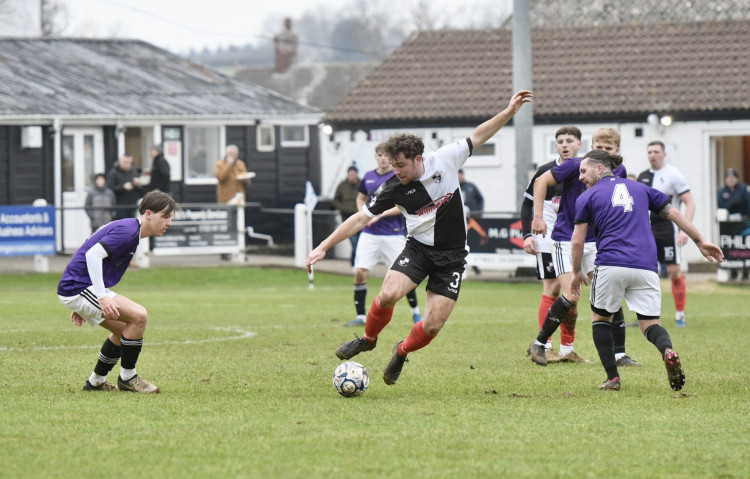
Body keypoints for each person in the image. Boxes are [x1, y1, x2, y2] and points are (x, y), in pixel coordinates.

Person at [307, 90, 534, 386]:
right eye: (392, 165)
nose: (396, 171)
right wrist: (323, 246)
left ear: (417, 158)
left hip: (452, 257)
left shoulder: (445, 160)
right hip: (418, 250)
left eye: (400, 165)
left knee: (431, 326)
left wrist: (508, 112)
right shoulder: (392, 188)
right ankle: (368, 338)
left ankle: (400, 351)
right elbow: (361, 218)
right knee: (388, 294)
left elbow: (478, 135)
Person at [570, 150, 723, 391]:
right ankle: (667, 350)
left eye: (583, 171)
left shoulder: (586, 197)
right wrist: (700, 241)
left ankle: (613, 378)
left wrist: (577, 270)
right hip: (646, 267)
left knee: (600, 320)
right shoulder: (640, 188)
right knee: (650, 324)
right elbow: (675, 214)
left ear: (599, 169)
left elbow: (577, 241)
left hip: (610, 264)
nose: (580, 177)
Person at [527, 127, 632, 366]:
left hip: (599, 240)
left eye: (608, 148)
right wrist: (538, 217)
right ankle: (541, 343)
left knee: (611, 294)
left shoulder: (620, 171)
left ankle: (620, 355)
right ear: (591, 147)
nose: (602, 152)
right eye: (599, 147)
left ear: (616, 150)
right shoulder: (576, 165)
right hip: (567, 238)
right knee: (571, 296)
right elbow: (541, 180)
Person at [57, 191, 178, 393]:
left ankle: (95, 382)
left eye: (171, 218)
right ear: (148, 214)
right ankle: (128, 377)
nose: (169, 222)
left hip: (81, 287)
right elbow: (92, 255)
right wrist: (100, 297)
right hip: (78, 286)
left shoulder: (130, 230)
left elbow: (90, 252)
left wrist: (85, 304)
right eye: (165, 216)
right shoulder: (127, 232)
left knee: (125, 331)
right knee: (139, 316)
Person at [521, 126, 582, 363]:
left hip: (575, 237)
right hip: (547, 238)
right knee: (553, 288)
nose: (565, 145)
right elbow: (527, 204)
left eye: (569, 140)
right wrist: (527, 234)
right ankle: (544, 346)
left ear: (579, 144)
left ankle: (568, 349)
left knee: (572, 293)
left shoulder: (585, 170)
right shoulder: (546, 172)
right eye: (560, 141)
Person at [344, 143, 422, 327]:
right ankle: (361, 317)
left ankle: (416, 313)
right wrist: (363, 214)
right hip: (369, 234)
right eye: (379, 155)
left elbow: (403, 205)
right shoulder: (368, 177)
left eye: (385, 155)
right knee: (360, 272)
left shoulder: (398, 177)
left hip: (393, 234)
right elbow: (360, 198)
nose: (382, 158)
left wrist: (378, 214)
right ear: (375, 157)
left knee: (405, 276)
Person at [636, 141, 695, 327]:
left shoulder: (673, 174)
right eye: (649, 152)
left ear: (664, 154)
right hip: (648, 230)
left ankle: (679, 315)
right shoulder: (643, 176)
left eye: (656, 151)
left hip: (669, 230)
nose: (652, 155)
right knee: (646, 272)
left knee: (673, 271)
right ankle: (646, 315)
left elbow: (690, 202)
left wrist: (685, 229)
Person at [718, 168, 750, 280]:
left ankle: (746, 272)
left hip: (744, 224)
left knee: (744, 248)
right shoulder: (722, 191)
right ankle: (733, 272)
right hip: (729, 226)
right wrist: (734, 202)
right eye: (728, 177)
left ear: (737, 178)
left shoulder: (744, 189)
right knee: (730, 249)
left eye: (733, 177)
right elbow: (721, 205)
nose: (730, 179)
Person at [332, 166, 361, 266]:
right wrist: (343, 208)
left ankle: (356, 264)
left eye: (354, 174)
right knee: (354, 243)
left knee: (360, 243)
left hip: (361, 219)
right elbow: (335, 200)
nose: (352, 176)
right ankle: (354, 264)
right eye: (350, 174)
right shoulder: (342, 186)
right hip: (347, 219)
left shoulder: (362, 184)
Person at [106, 155, 143, 221]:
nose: (127, 165)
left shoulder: (134, 172)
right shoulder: (113, 173)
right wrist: (123, 187)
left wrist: (138, 185)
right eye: (125, 162)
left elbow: (140, 190)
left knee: (131, 225)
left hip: (132, 205)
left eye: (129, 162)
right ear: (120, 161)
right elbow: (109, 188)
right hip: (119, 206)